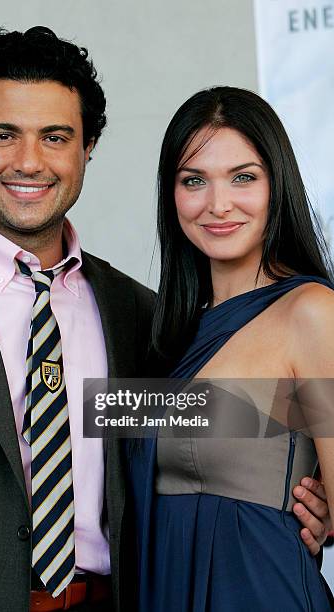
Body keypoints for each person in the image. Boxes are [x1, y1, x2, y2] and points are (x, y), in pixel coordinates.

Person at [0, 29, 328, 612]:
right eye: (3, 135)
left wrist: (305, 503)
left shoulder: (138, 315)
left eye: (55, 137)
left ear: (87, 148)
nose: (29, 161)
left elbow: (222, 435)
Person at [127, 86, 334, 610]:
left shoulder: (310, 312)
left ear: (276, 184)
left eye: (243, 177)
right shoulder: (162, 333)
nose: (219, 204)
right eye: (194, 180)